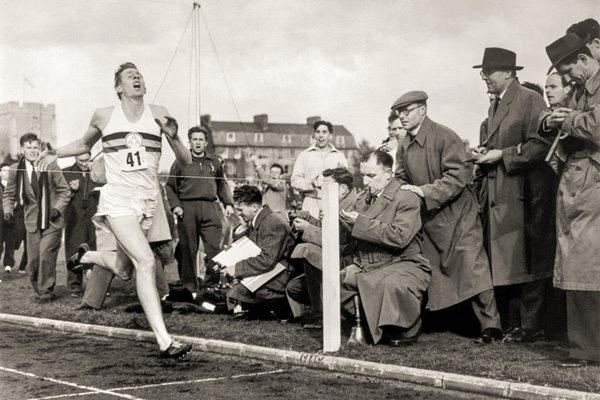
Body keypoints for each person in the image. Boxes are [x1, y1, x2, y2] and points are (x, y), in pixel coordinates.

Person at [35, 62, 192, 358]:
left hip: (147, 201)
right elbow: (83, 143)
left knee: (123, 268)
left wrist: (174, 136)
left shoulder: (158, 112)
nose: (137, 78)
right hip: (118, 200)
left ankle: (88, 256)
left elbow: (184, 161)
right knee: (145, 261)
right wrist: (54, 152)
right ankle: (165, 340)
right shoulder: (105, 115)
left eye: (140, 75)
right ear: (119, 87)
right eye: (130, 76)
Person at [392, 90, 502, 344]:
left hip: (459, 215)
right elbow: (401, 177)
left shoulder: (444, 136)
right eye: (399, 113)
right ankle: (431, 321)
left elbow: (459, 176)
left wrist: (424, 191)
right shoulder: (405, 145)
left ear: (423, 110)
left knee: (473, 266)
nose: (402, 117)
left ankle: (492, 326)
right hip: (431, 218)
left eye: (407, 112)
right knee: (432, 270)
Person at [472, 48, 556, 343]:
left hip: (524, 196)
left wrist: (502, 154)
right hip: (501, 195)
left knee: (530, 262)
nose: (484, 76)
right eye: (483, 71)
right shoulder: (496, 104)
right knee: (510, 261)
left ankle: (531, 326)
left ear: (508, 72)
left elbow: (540, 146)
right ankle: (515, 324)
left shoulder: (530, 99)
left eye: (489, 71)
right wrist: (484, 152)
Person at [541, 33, 600, 367]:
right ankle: (584, 347)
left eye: (568, 71)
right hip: (579, 185)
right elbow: (549, 114)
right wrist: (551, 118)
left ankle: (586, 349)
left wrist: (565, 119)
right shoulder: (582, 87)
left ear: (582, 59)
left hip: (591, 187)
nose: (567, 79)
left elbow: (596, 125)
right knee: (581, 269)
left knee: (587, 269)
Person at [338, 150, 431, 346]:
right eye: (363, 175)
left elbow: (399, 237)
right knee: (335, 282)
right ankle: (369, 321)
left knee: (390, 284)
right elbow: (350, 240)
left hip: (403, 263)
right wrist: (343, 223)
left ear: (388, 174)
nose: (365, 182)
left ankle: (405, 328)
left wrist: (360, 224)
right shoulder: (362, 199)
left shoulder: (406, 197)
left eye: (371, 176)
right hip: (370, 264)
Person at [165, 126, 235, 295]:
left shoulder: (214, 162)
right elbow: (169, 187)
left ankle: (212, 285)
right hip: (187, 208)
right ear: (189, 142)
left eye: (200, 139)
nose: (197, 142)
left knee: (214, 248)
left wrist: (228, 203)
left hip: (210, 207)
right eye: (194, 139)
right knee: (188, 248)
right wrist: (176, 206)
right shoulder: (180, 162)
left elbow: (222, 185)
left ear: (206, 142)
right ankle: (190, 287)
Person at [286, 167, 358, 328]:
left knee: (309, 251)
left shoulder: (351, 206)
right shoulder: (339, 202)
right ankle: (323, 311)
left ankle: (322, 316)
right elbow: (329, 230)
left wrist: (308, 228)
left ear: (343, 189)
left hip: (348, 261)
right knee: (294, 288)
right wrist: (309, 220)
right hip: (342, 258)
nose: (322, 192)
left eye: (326, 187)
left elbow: (339, 241)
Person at [3, 133, 70, 301]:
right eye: (28, 148)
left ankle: (47, 290)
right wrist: (8, 211)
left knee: (46, 252)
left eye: (35, 148)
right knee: (33, 261)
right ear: (22, 149)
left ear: (39, 148)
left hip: (52, 220)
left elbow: (64, 191)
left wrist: (58, 208)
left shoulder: (50, 164)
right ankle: (39, 289)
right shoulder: (14, 169)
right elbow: (9, 195)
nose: (32, 151)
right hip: (32, 221)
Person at [224, 185, 296, 319]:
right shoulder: (259, 220)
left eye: (241, 209)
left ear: (254, 207)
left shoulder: (272, 223)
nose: (239, 213)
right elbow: (246, 248)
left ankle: (280, 304)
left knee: (238, 291)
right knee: (236, 290)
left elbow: (267, 259)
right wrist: (243, 228)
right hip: (271, 271)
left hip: (280, 276)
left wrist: (237, 269)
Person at [291, 120, 348, 218]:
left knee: (331, 232)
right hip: (311, 201)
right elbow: (294, 181)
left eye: (324, 132)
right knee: (308, 231)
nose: (321, 135)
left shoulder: (339, 156)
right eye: (318, 132)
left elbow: (346, 182)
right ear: (314, 135)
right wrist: (310, 184)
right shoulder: (304, 155)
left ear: (330, 136)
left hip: (333, 202)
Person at [62, 153, 100, 297]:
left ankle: (95, 285)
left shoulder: (98, 172)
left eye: (87, 160)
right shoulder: (66, 173)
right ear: (75, 159)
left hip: (94, 217)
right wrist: (70, 190)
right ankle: (75, 287)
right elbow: (60, 196)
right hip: (75, 218)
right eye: (81, 161)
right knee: (73, 250)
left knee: (95, 249)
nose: (84, 164)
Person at [250, 154, 287, 223]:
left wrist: (257, 164)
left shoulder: (282, 184)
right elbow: (263, 178)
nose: (273, 174)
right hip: (267, 217)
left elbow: (265, 178)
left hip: (278, 218)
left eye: (276, 173)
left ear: (281, 176)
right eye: (272, 172)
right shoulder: (269, 185)